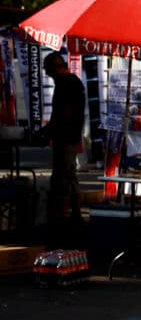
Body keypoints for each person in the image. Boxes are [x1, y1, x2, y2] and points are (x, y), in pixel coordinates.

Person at [38, 51, 86, 226]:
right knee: (66, 175)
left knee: (65, 176)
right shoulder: (64, 83)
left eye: (48, 68)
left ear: (57, 66)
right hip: (64, 136)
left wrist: (48, 130)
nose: (46, 72)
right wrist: (47, 130)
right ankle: (71, 214)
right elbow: (59, 114)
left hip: (67, 138)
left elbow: (65, 114)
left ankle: (67, 215)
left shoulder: (69, 83)